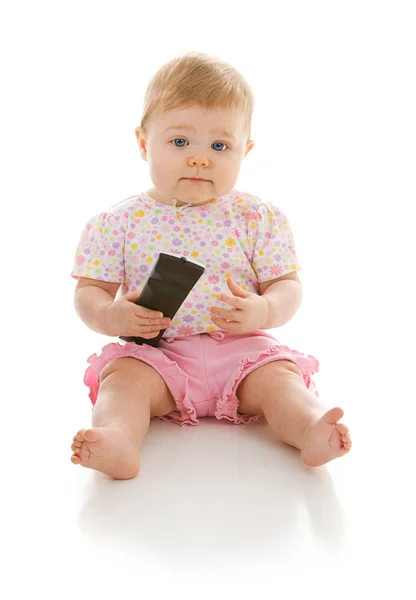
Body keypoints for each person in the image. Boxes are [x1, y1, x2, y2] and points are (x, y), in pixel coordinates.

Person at [70, 52, 352, 479]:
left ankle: (309, 428)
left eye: (220, 146)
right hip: (158, 357)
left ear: (246, 150)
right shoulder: (118, 222)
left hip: (243, 352)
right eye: (180, 142)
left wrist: (266, 310)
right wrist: (111, 314)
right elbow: (89, 291)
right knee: (122, 382)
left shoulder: (258, 217)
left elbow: (287, 285)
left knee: (281, 380)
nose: (200, 158)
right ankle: (118, 440)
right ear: (144, 142)